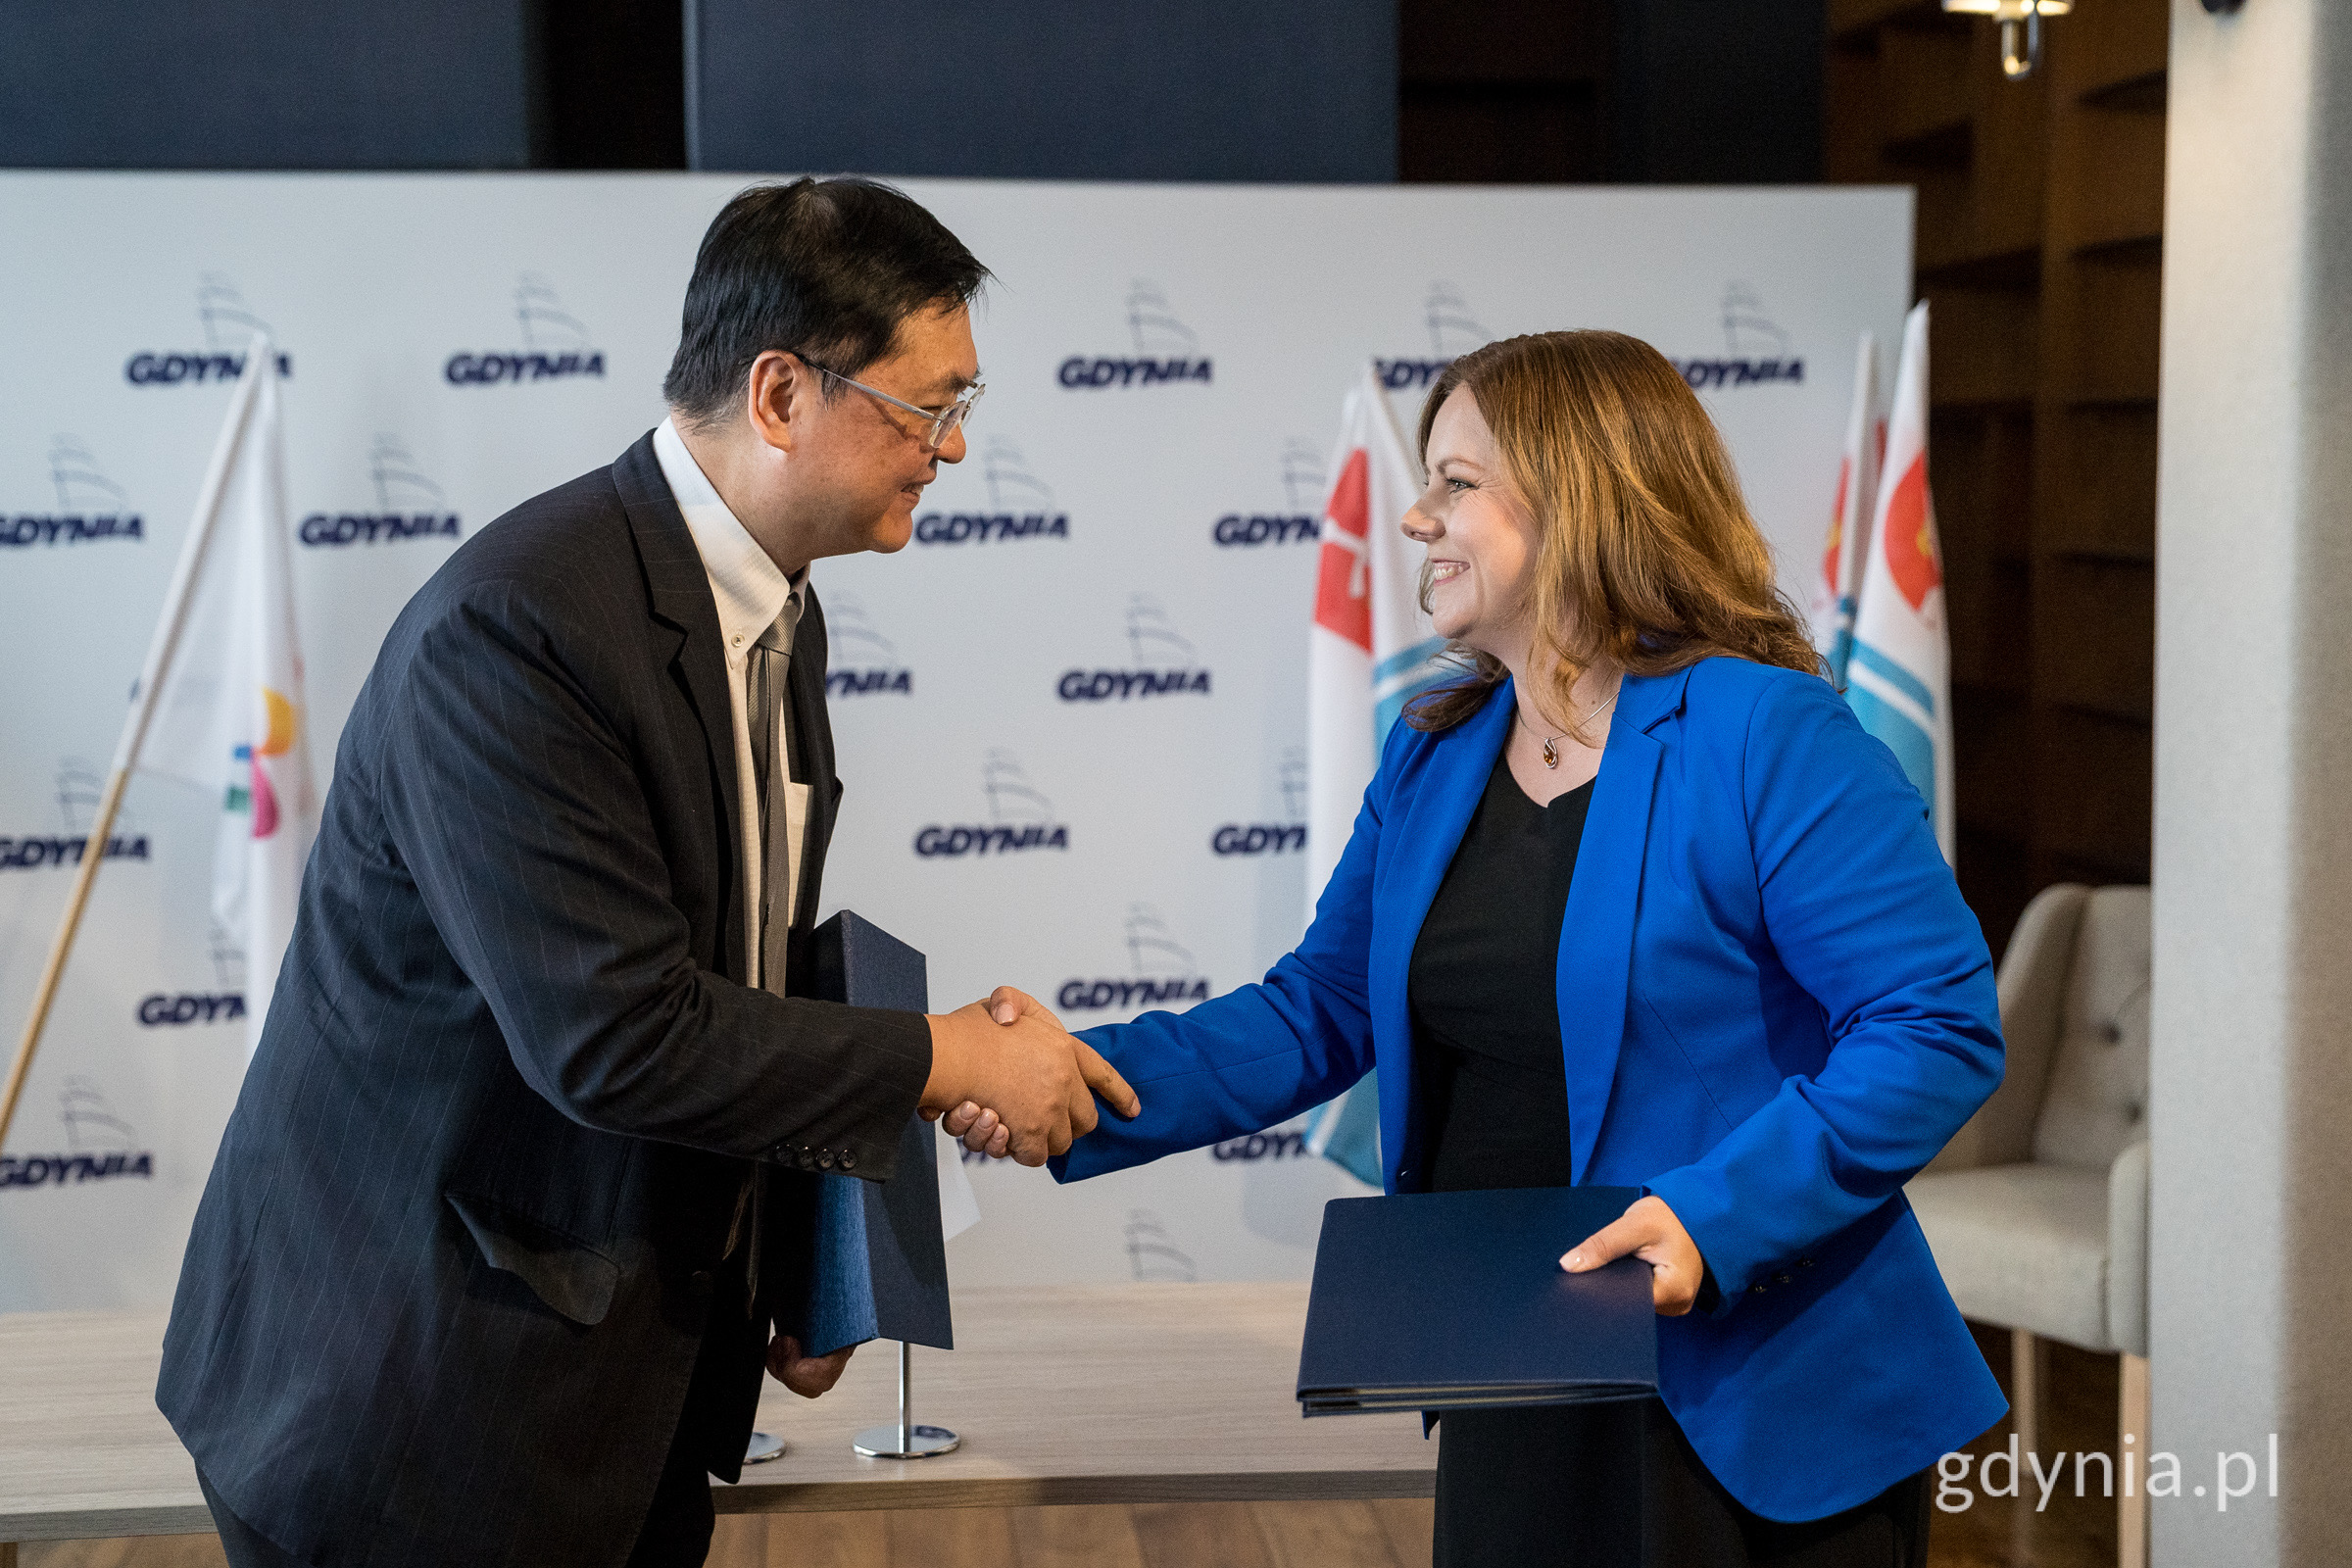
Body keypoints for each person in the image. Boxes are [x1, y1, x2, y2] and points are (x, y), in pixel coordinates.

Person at [157, 177, 1137, 1568]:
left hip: (626, 1386)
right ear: (783, 393)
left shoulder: (777, 609)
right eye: (930, 409)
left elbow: (740, 964)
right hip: (411, 1408)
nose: (956, 450)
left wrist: (795, 1261)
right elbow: (617, 1037)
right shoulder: (518, 633)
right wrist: (946, 1059)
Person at [1036, 330, 2006, 1567]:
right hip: (1511, 1359)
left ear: (1581, 495)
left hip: (1752, 1389)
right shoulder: (1434, 749)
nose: (1413, 516)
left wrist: (1712, 1221)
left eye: (1455, 483)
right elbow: (1321, 1008)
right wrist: (1072, 1083)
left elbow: (1935, 1025)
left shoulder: (1769, 730)